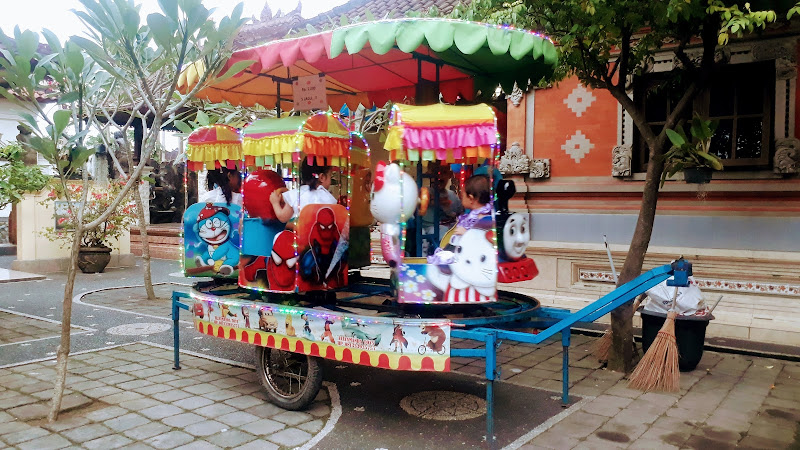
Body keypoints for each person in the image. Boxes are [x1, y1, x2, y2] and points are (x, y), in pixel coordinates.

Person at [427, 174, 492, 264]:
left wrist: (467, 233)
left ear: (471, 199)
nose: (461, 198)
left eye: (462, 196)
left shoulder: (483, 218)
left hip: (471, 258)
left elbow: (483, 240)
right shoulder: (473, 216)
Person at [270, 158, 337, 223]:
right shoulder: (328, 197)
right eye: (330, 176)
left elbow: (283, 217)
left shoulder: (297, 194)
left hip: (301, 233)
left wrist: (275, 203)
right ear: (322, 177)